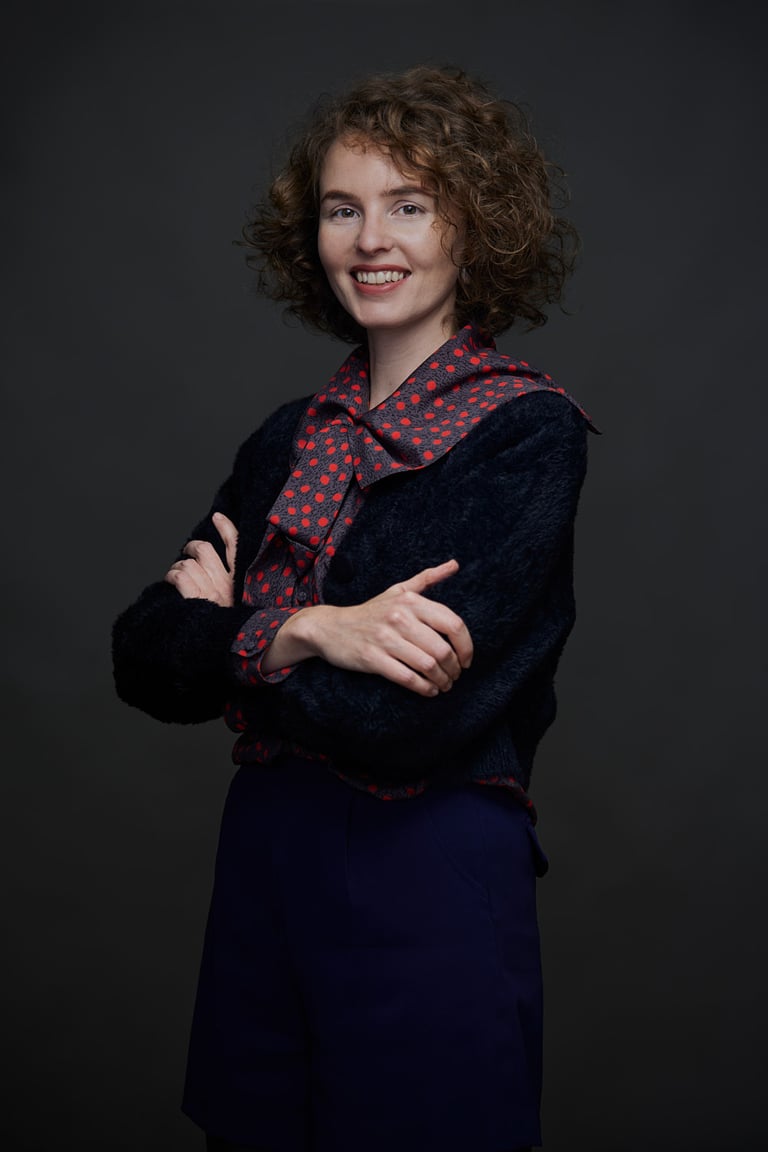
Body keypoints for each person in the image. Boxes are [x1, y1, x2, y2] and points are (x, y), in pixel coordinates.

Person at [112, 63, 597, 1152]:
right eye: (343, 209)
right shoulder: (286, 438)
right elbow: (143, 658)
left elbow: (396, 721)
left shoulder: (527, 434)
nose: (371, 239)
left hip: (425, 862)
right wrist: (311, 631)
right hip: (263, 861)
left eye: (409, 205)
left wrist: (230, 639)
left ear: (475, 225)